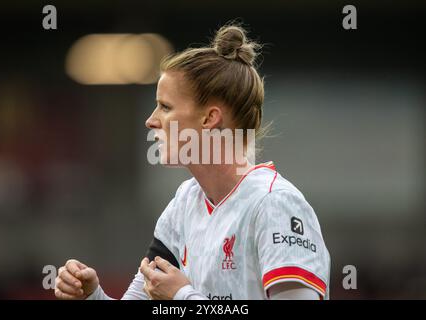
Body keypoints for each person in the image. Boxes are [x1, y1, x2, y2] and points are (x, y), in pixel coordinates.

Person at [54, 23, 330, 300]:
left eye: (165, 107)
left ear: (210, 118)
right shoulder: (184, 203)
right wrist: (92, 296)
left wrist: (183, 297)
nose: (151, 121)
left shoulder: (275, 204)